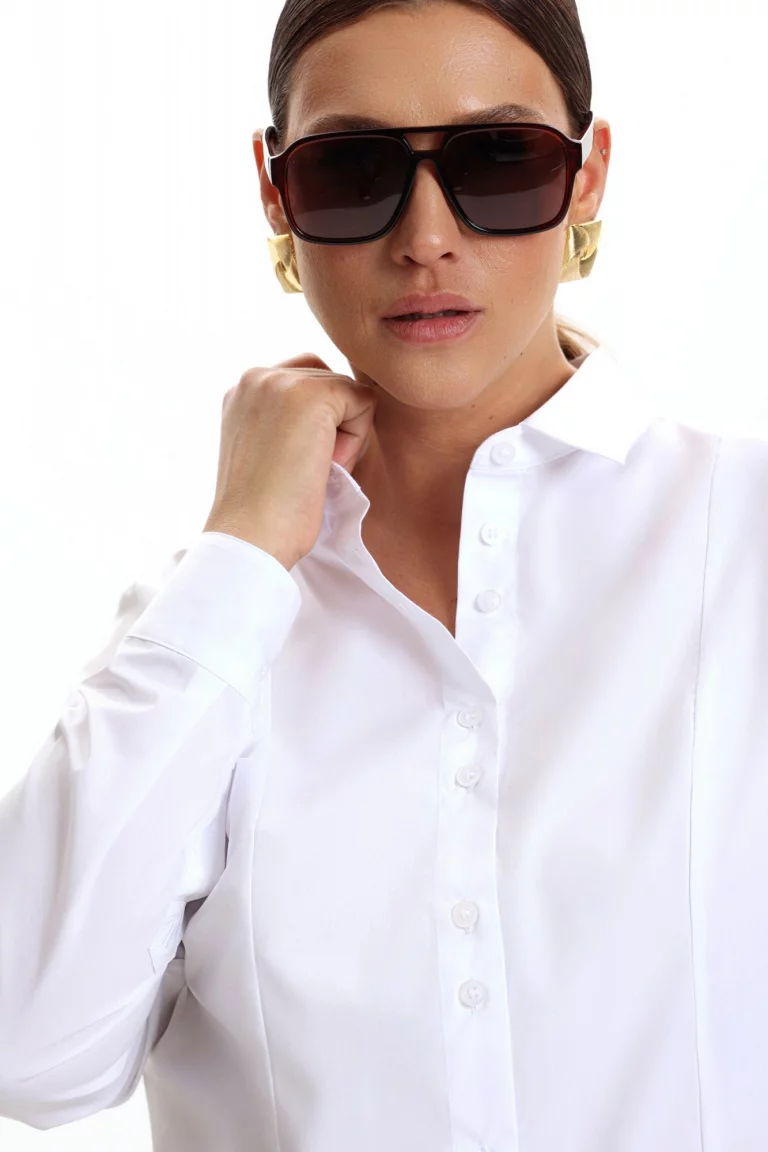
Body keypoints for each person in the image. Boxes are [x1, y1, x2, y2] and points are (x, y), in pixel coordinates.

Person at [2, 2, 767, 1150]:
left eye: (497, 160)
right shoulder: (211, 630)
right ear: (275, 194)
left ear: (588, 175)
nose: (425, 238)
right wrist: (242, 549)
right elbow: (29, 1051)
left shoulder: (744, 540)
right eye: (352, 170)